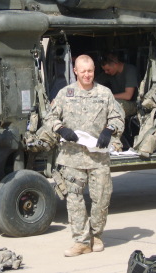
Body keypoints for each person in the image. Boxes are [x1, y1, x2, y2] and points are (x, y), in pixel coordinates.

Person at [46, 54, 125, 257]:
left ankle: (96, 235)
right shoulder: (65, 93)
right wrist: (61, 129)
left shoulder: (104, 93)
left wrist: (110, 130)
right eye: (83, 72)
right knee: (74, 199)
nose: (87, 75)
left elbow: (117, 116)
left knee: (101, 198)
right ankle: (80, 241)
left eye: (90, 71)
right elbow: (50, 117)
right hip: (72, 157)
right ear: (75, 71)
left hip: (98, 157)